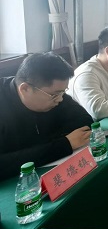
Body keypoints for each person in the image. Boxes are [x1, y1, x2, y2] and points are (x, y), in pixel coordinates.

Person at [0, 53, 93, 181]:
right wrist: (64, 144)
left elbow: (85, 121)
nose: (60, 99)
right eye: (55, 95)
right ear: (25, 89)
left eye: (63, 92)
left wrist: (39, 150)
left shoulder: (54, 93)